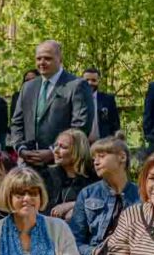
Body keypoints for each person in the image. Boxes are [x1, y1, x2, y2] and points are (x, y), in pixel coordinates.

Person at [68, 137, 140, 255]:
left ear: (122, 157)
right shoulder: (87, 194)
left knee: (117, 253)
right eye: (93, 158)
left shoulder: (142, 196)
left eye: (101, 155)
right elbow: (73, 240)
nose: (96, 161)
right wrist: (93, 252)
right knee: (109, 253)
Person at [8, 40, 93, 169]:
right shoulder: (28, 87)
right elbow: (16, 122)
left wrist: (54, 151)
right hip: (29, 164)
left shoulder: (77, 86)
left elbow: (80, 127)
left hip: (63, 165)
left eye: (47, 58)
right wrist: (21, 148)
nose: (42, 62)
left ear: (60, 59)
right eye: (38, 58)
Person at [41, 128, 96, 220]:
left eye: (63, 147)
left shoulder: (93, 179)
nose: (55, 151)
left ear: (78, 151)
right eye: (55, 146)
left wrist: (73, 205)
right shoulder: (46, 176)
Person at [82, 67, 120, 140]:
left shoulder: (108, 99)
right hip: (82, 144)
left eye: (93, 80)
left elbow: (115, 124)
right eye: (87, 80)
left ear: (98, 81)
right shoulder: (75, 99)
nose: (90, 83)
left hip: (103, 143)